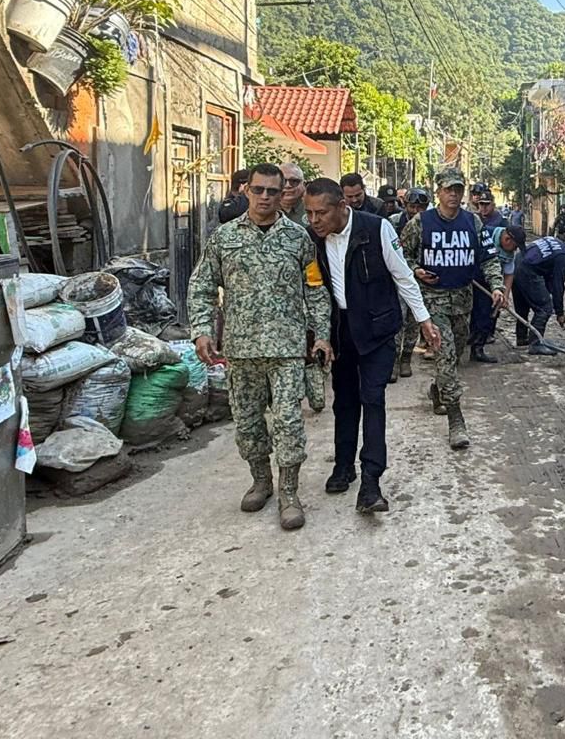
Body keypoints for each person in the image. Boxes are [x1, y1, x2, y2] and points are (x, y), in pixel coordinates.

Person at [187, 163, 331, 531]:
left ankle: (289, 493)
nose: (265, 197)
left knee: (288, 422)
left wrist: (322, 334)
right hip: (241, 348)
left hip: (287, 349)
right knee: (248, 424)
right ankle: (261, 481)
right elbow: (202, 285)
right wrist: (202, 330)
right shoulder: (224, 238)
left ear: (284, 193)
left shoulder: (298, 239)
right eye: (259, 190)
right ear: (246, 190)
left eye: (273, 190)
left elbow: (315, 291)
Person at [303, 179, 442, 514]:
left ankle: (371, 481)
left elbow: (403, 276)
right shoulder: (311, 240)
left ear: (342, 207)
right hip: (341, 331)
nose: (314, 220)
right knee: (344, 401)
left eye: (320, 212)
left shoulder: (377, 228)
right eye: (309, 213)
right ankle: (343, 465)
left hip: (378, 330)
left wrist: (423, 320)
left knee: (373, 399)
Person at [399, 167, 507, 449]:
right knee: (445, 355)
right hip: (432, 301)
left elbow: (489, 258)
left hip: (462, 300)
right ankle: (456, 420)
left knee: (455, 354)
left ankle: (438, 389)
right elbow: (400, 257)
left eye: (458, 189)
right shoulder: (421, 222)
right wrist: (417, 270)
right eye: (448, 189)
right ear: (438, 192)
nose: (454, 195)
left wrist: (497, 286)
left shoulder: (473, 222)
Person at [510, 229, 565, 354]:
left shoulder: (554, 241)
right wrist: (559, 312)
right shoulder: (564, 257)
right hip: (527, 270)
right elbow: (558, 286)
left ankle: (522, 338)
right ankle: (535, 344)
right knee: (545, 307)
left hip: (517, 263)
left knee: (522, 306)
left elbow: (547, 275)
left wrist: (545, 292)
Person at [391, 187, 431, 380]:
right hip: (397, 278)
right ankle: (393, 361)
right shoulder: (393, 222)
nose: (416, 211)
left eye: (420, 207)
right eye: (412, 206)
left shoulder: (430, 224)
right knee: (397, 319)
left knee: (414, 321)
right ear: (405, 205)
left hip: (420, 279)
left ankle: (406, 357)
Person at [468, 184, 506, 364]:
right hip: (470, 274)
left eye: (486, 204)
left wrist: (501, 286)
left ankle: (479, 347)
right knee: (469, 313)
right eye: (480, 204)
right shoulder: (472, 220)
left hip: (489, 273)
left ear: (493, 204)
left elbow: (506, 257)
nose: (483, 207)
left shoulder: (501, 222)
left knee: (486, 313)